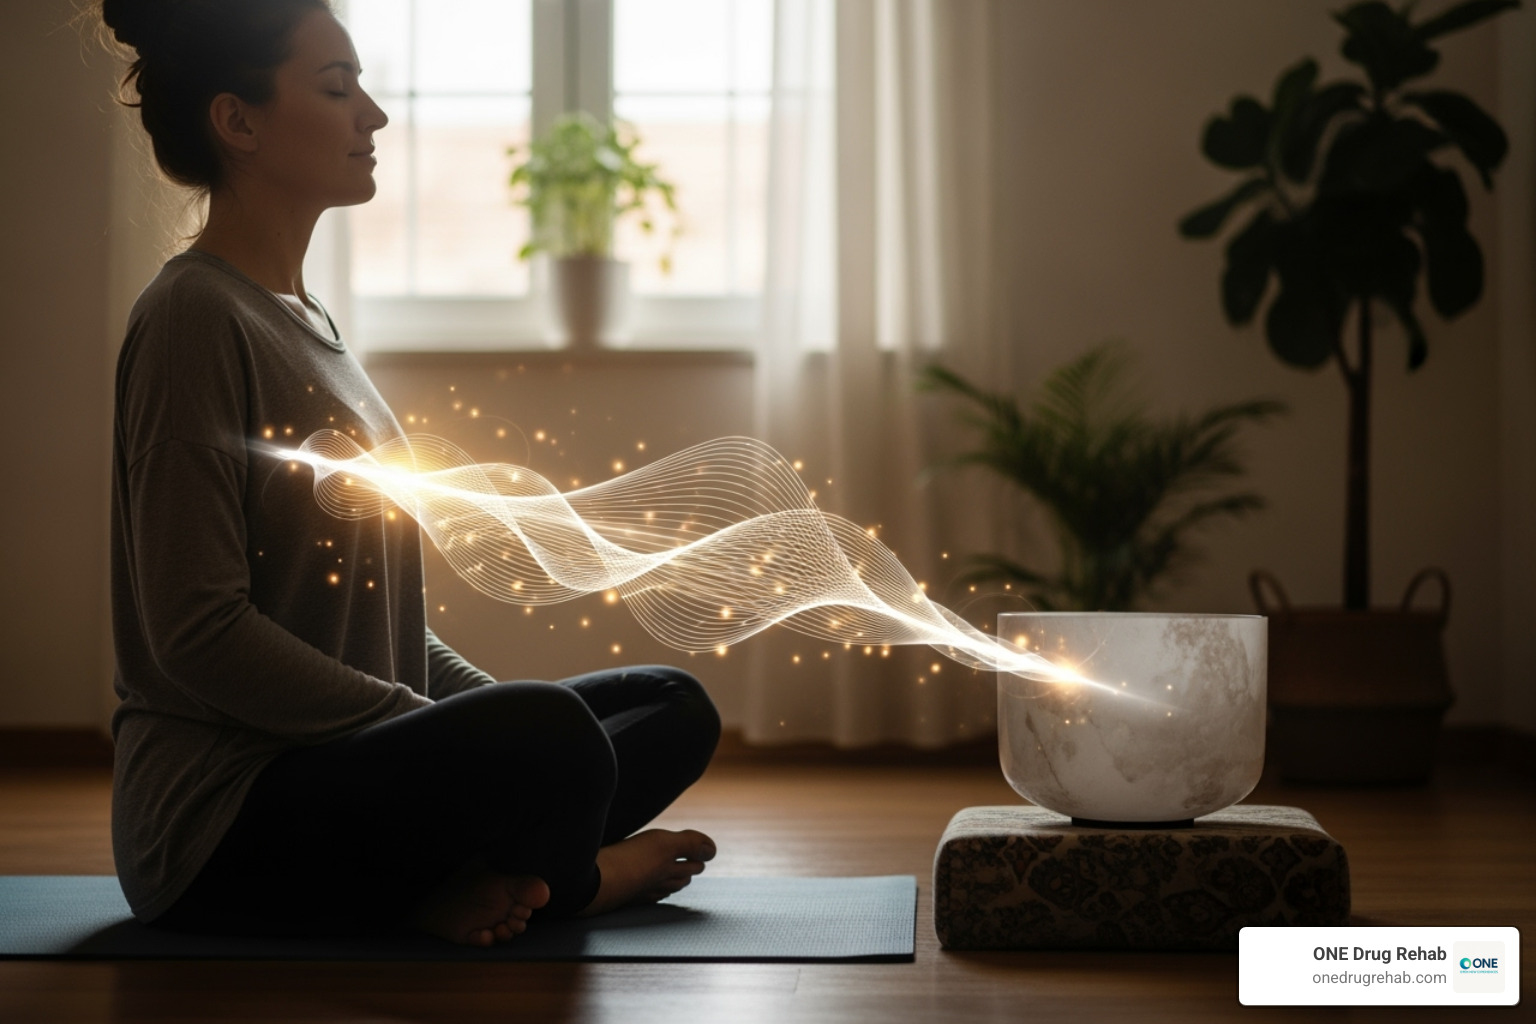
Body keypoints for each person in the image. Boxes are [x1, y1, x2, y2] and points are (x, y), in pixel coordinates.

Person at [98, 0, 720, 946]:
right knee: (549, 739)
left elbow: (369, 618)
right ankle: (577, 880)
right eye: (338, 88)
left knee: (668, 708)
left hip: (350, 772)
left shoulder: (308, 321)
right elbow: (197, 633)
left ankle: (469, 876)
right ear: (239, 121)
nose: (374, 116)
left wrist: (466, 721)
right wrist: (449, 732)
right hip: (229, 819)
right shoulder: (194, 319)